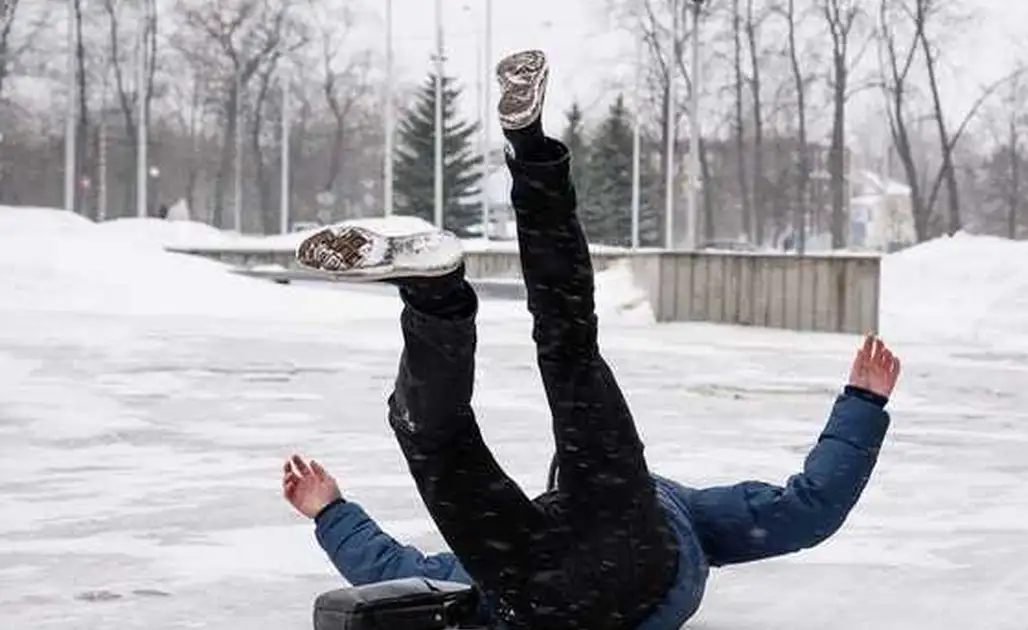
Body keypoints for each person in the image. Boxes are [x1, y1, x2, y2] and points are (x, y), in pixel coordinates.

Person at [283, 49, 901, 630]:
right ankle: (469, 242)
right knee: (489, 402)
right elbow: (807, 509)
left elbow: (400, 572)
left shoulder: (600, 518)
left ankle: (456, 266)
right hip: (608, 576)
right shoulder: (682, 511)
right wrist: (863, 404)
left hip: (543, 587)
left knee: (546, 358)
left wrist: (331, 513)